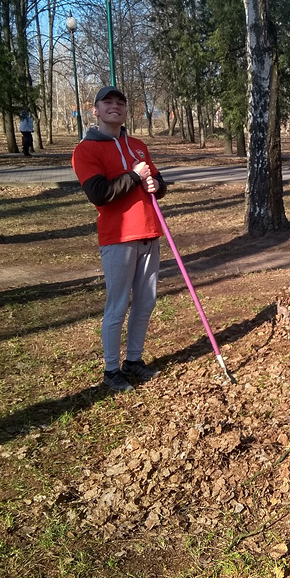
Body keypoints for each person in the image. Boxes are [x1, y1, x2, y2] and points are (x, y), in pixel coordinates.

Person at [72, 86, 168, 392]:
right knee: (117, 305)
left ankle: (134, 361)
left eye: (120, 103)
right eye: (108, 102)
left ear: (126, 111)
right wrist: (136, 177)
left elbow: (158, 183)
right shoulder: (85, 150)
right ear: (96, 111)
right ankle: (111, 369)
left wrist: (156, 184)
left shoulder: (138, 146)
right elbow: (99, 194)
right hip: (118, 237)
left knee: (146, 303)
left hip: (149, 233)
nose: (115, 107)